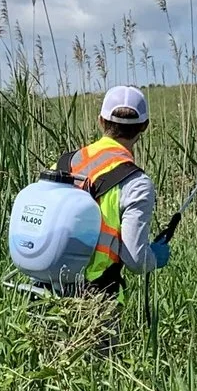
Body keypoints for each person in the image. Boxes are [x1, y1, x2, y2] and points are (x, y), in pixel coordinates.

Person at [60, 84, 177, 296]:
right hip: (93, 297)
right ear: (144, 126)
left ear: (101, 121)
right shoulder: (136, 183)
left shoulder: (65, 163)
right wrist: (153, 257)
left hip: (45, 289)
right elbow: (135, 259)